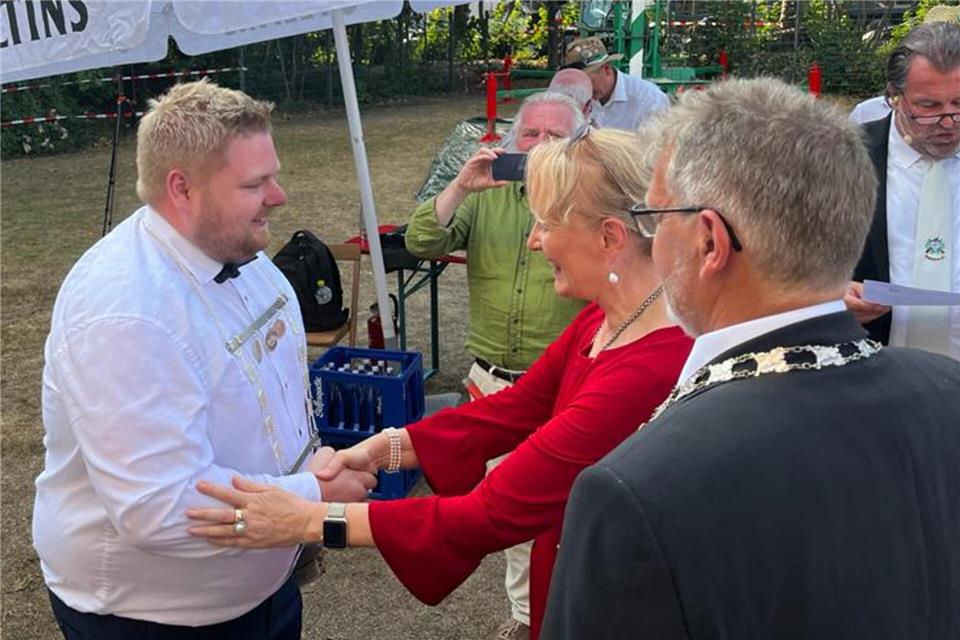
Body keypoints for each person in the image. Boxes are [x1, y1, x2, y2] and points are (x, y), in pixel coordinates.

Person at [186, 127, 694, 640]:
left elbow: (490, 511)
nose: (534, 240)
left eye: (545, 223)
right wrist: (377, 451)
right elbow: (509, 411)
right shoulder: (603, 320)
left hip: (613, 598)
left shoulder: (645, 369)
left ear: (610, 237)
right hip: (571, 568)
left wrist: (310, 520)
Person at [542, 78, 960, 639]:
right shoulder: (945, 389)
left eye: (656, 218)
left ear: (710, 243)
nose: (653, 241)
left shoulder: (636, 488)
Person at [33, 79, 375, 640]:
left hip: (262, 590)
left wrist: (309, 471)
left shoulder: (245, 256)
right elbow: (159, 505)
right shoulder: (127, 313)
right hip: (153, 618)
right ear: (182, 189)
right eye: (255, 182)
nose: (279, 195)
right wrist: (312, 496)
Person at [404, 90, 586, 638]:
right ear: (511, 139)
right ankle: (527, 614)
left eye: (557, 136)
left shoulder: (589, 203)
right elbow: (420, 240)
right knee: (510, 509)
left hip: (568, 384)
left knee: (566, 513)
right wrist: (462, 185)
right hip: (494, 381)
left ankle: (555, 613)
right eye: (531, 134)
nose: (540, 146)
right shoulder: (486, 196)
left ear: (580, 144)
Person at [847, 22, 960, 360]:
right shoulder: (842, 159)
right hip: (873, 377)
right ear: (893, 97)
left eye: (959, 103)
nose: (948, 121)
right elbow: (790, 264)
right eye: (928, 107)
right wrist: (831, 296)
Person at [563, 36, 669, 131]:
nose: (585, 89)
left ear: (607, 69)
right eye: (579, 83)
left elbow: (658, 146)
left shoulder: (650, 99)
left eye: (589, 82)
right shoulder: (574, 98)